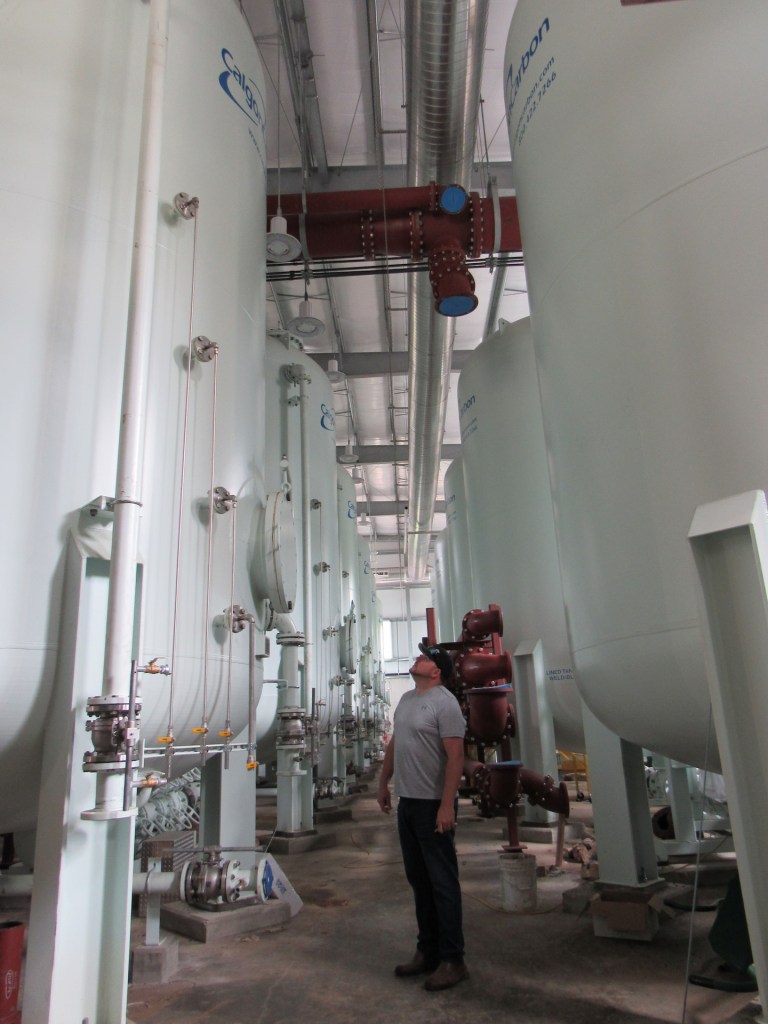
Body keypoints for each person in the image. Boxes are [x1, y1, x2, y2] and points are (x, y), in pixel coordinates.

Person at [377, 644, 469, 992]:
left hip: (433, 804)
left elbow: (456, 756)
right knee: (419, 880)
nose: (418, 659)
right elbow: (395, 744)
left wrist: (447, 804)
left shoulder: (445, 704)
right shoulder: (407, 699)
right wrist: (383, 781)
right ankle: (427, 952)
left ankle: (453, 959)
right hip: (408, 803)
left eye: (425, 657)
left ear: (437, 671)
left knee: (443, 883)